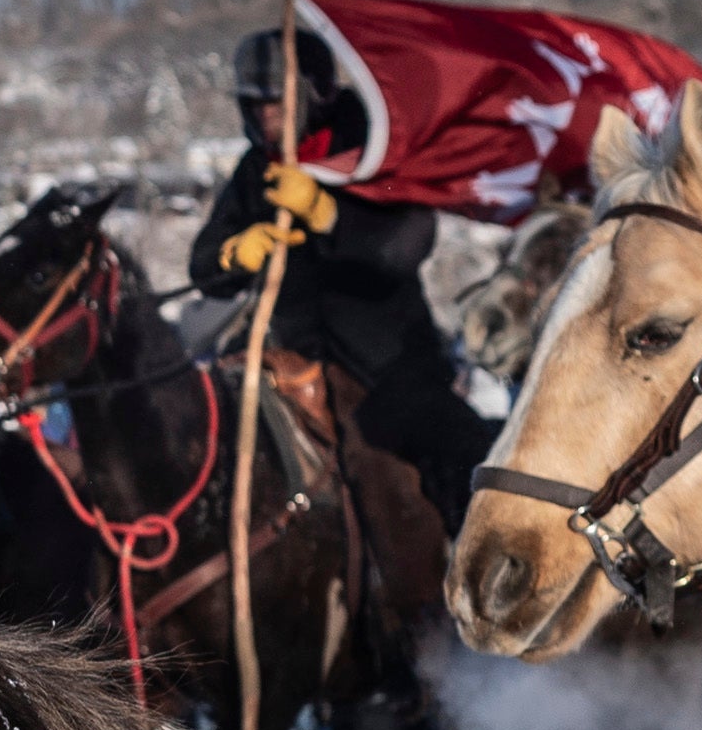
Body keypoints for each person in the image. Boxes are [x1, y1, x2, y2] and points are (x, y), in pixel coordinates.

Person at [188, 34, 491, 534]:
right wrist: (234, 253)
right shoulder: (255, 169)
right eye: (253, 103)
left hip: (388, 366)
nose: (264, 116)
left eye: (276, 102)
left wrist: (328, 215)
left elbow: (405, 246)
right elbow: (203, 268)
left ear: (314, 94)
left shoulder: (376, 149)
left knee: (464, 461)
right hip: (291, 362)